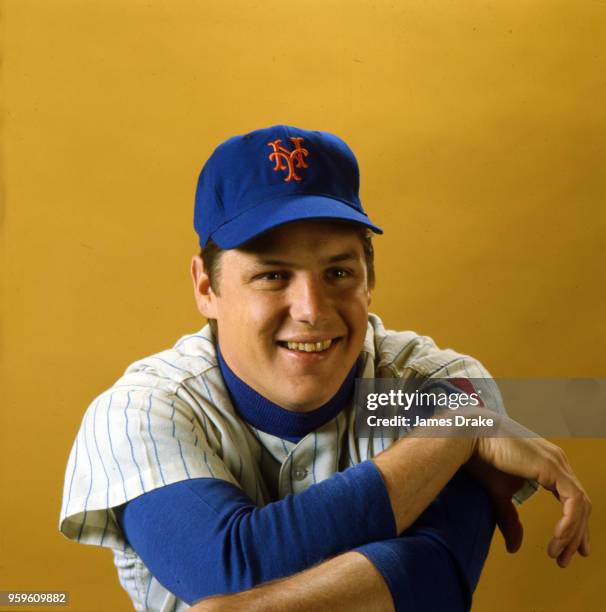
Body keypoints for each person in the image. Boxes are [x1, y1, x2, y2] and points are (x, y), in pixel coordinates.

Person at [59, 125, 591, 612]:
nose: (312, 309)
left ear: (369, 279)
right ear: (206, 287)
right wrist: (454, 432)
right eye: (272, 276)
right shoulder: (140, 409)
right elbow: (228, 569)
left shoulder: (434, 383)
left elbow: (436, 577)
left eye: (338, 270)